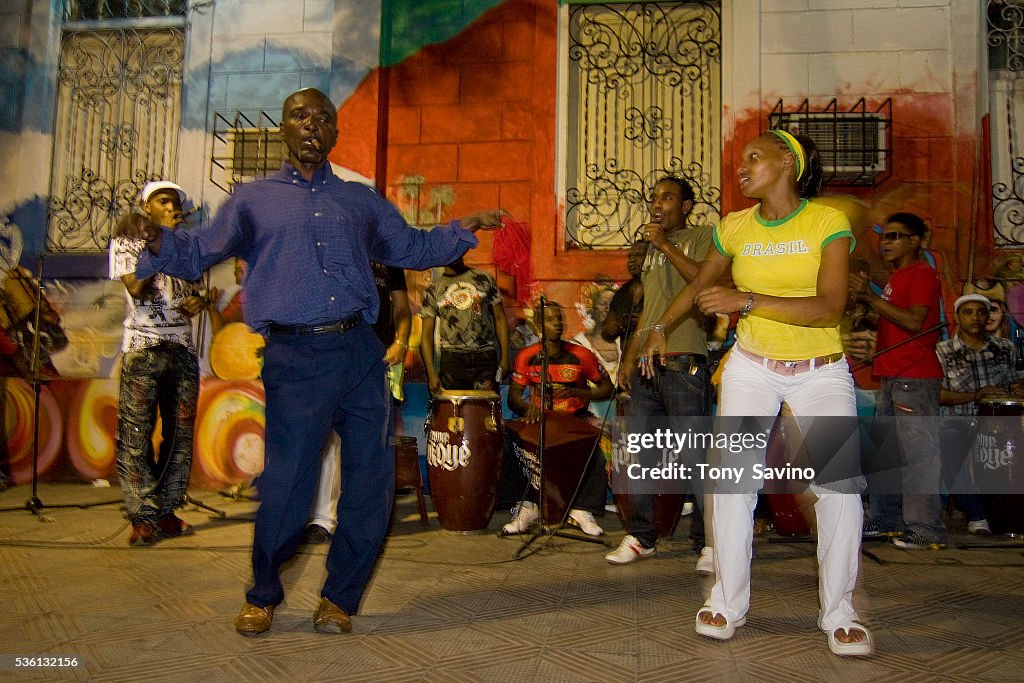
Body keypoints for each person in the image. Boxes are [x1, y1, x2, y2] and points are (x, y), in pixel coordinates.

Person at [133, 88, 502, 635]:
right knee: (287, 483)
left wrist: (461, 227)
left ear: (334, 134)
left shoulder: (362, 201)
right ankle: (263, 592)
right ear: (283, 129)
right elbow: (198, 251)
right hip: (294, 354)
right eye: (299, 117)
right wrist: (153, 238)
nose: (311, 125)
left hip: (358, 352)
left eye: (322, 119)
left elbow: (414, 248)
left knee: (370, 479)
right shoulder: (251, 199)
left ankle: (340, 598)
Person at [640, 130, 871, 656]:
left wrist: (747, 300)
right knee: (731, 484)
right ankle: (726, 601)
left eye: (753, 157)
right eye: (740, 160)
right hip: (751, 368)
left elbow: (829, 307)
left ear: (787, 163)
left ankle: (840, 612)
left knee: (839, 487)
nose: (740, 167)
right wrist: (661, 326)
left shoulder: (826, 222)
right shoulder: (735, 226)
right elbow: (700, 285)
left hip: (821, 369)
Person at [611, 176, 714, 574]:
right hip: (645, 367)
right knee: (640, 457)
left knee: (696, 458)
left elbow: (703, 281)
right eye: (654, 198)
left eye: (667, 198)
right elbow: (649, 315)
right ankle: (641, 537)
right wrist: (627, 359)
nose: (658, 204)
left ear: (686, 206)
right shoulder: (651, 254)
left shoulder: (703, 237)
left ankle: (707, 543)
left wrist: (666, 245)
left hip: (685, 362)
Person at [109, 180, 204, 547]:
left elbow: (190, 292)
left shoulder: (187, 247)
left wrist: (199, 303)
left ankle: (166, 510)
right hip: (143, 347)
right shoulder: (128, 242)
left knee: (179, 436)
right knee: (135, 435)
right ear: (147, 208)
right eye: (164, 201)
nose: (172, 207)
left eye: (175, 202)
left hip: (181, 346)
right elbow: (135, 287)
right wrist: (158, 242)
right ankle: (142, 516)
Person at [852, 212, 946, 550]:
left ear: (917, 241)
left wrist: (872, 297)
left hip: (914, 376)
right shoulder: (899, 276)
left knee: (918, 454)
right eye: (884, 237)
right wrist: (870, 308)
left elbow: (916, 321)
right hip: (893, 375)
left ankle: (926, 528)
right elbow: (897, 320)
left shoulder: (921, 273)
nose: (886, 243)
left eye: (896, 236)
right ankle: (886, 519)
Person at [303, 263, 411, 544]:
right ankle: (321, 518)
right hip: (336, 355)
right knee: (327, 438)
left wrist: (401, 342)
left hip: (378, 359)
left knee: (368, 443)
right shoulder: (339, 247)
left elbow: (401, 309)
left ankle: (363, 519)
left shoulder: (389, 259)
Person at [502, 301, 613, 536]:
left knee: (597, 441)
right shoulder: (527, 357)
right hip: (540, 420)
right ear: (539, 325)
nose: (558, 324)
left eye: (560, 319)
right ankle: (528, 507)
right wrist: (526, 409)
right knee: (509, 440)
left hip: (575, 418)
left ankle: (582, 509)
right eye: (552, 320)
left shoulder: (581, 355)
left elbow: (608, 389)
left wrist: (582, 393)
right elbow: (514, 398)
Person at [936, 294, 1024, 533]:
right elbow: (938, 395)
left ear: (987, 317)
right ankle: (976, 513)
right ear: (957, 317)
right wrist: (976, 395)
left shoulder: (1005, 348)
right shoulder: (942, 351)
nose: (975, 317)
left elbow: (1019, 383)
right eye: (968, 312)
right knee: (947, 439)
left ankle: (1011, 513)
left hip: (1000, 422)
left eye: (980, 312)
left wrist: (1017, 388)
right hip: (960, 419)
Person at [419, 255, 510, 393]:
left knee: (485, 408)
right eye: (448, 249)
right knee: (454, 410)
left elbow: (500, 318)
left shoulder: (484, 279)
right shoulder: (434, 289)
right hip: (452, 358)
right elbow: (426, 335)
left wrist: (505, 357)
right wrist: (431, 374)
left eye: (457, 247)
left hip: (484, 355)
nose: (453, 252)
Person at [601, 240, 647, 349]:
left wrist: (644, 322)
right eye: (630, 256)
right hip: (628, 359)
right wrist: (613, 328)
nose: (631, 260)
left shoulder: (660, 288)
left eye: (638, 255)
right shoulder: (622, 292)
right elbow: (607, 330)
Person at [573, 285, 620, 382]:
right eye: (603, 304)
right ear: (592, 308)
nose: (607, 308)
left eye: (612, 304)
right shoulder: (579, 342)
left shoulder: (622, 340)